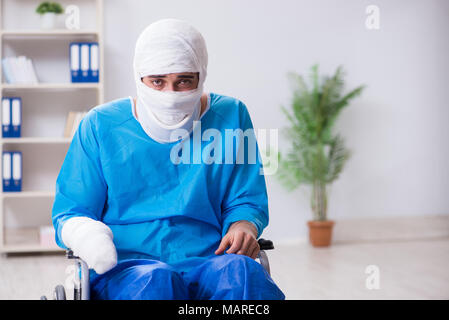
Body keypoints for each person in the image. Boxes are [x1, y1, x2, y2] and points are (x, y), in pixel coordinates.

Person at [52, 18, 285, 300]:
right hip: (129, 269)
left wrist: (243, 224)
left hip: (212, 260)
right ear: (139, 77)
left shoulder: (231, 116)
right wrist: (87, 236)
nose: (170, 95)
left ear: (201, 75)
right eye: (157, 81)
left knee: (244, 277)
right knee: (157, 281)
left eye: (184, 81)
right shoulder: (101, 125)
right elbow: (72, 210)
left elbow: (246, 198)